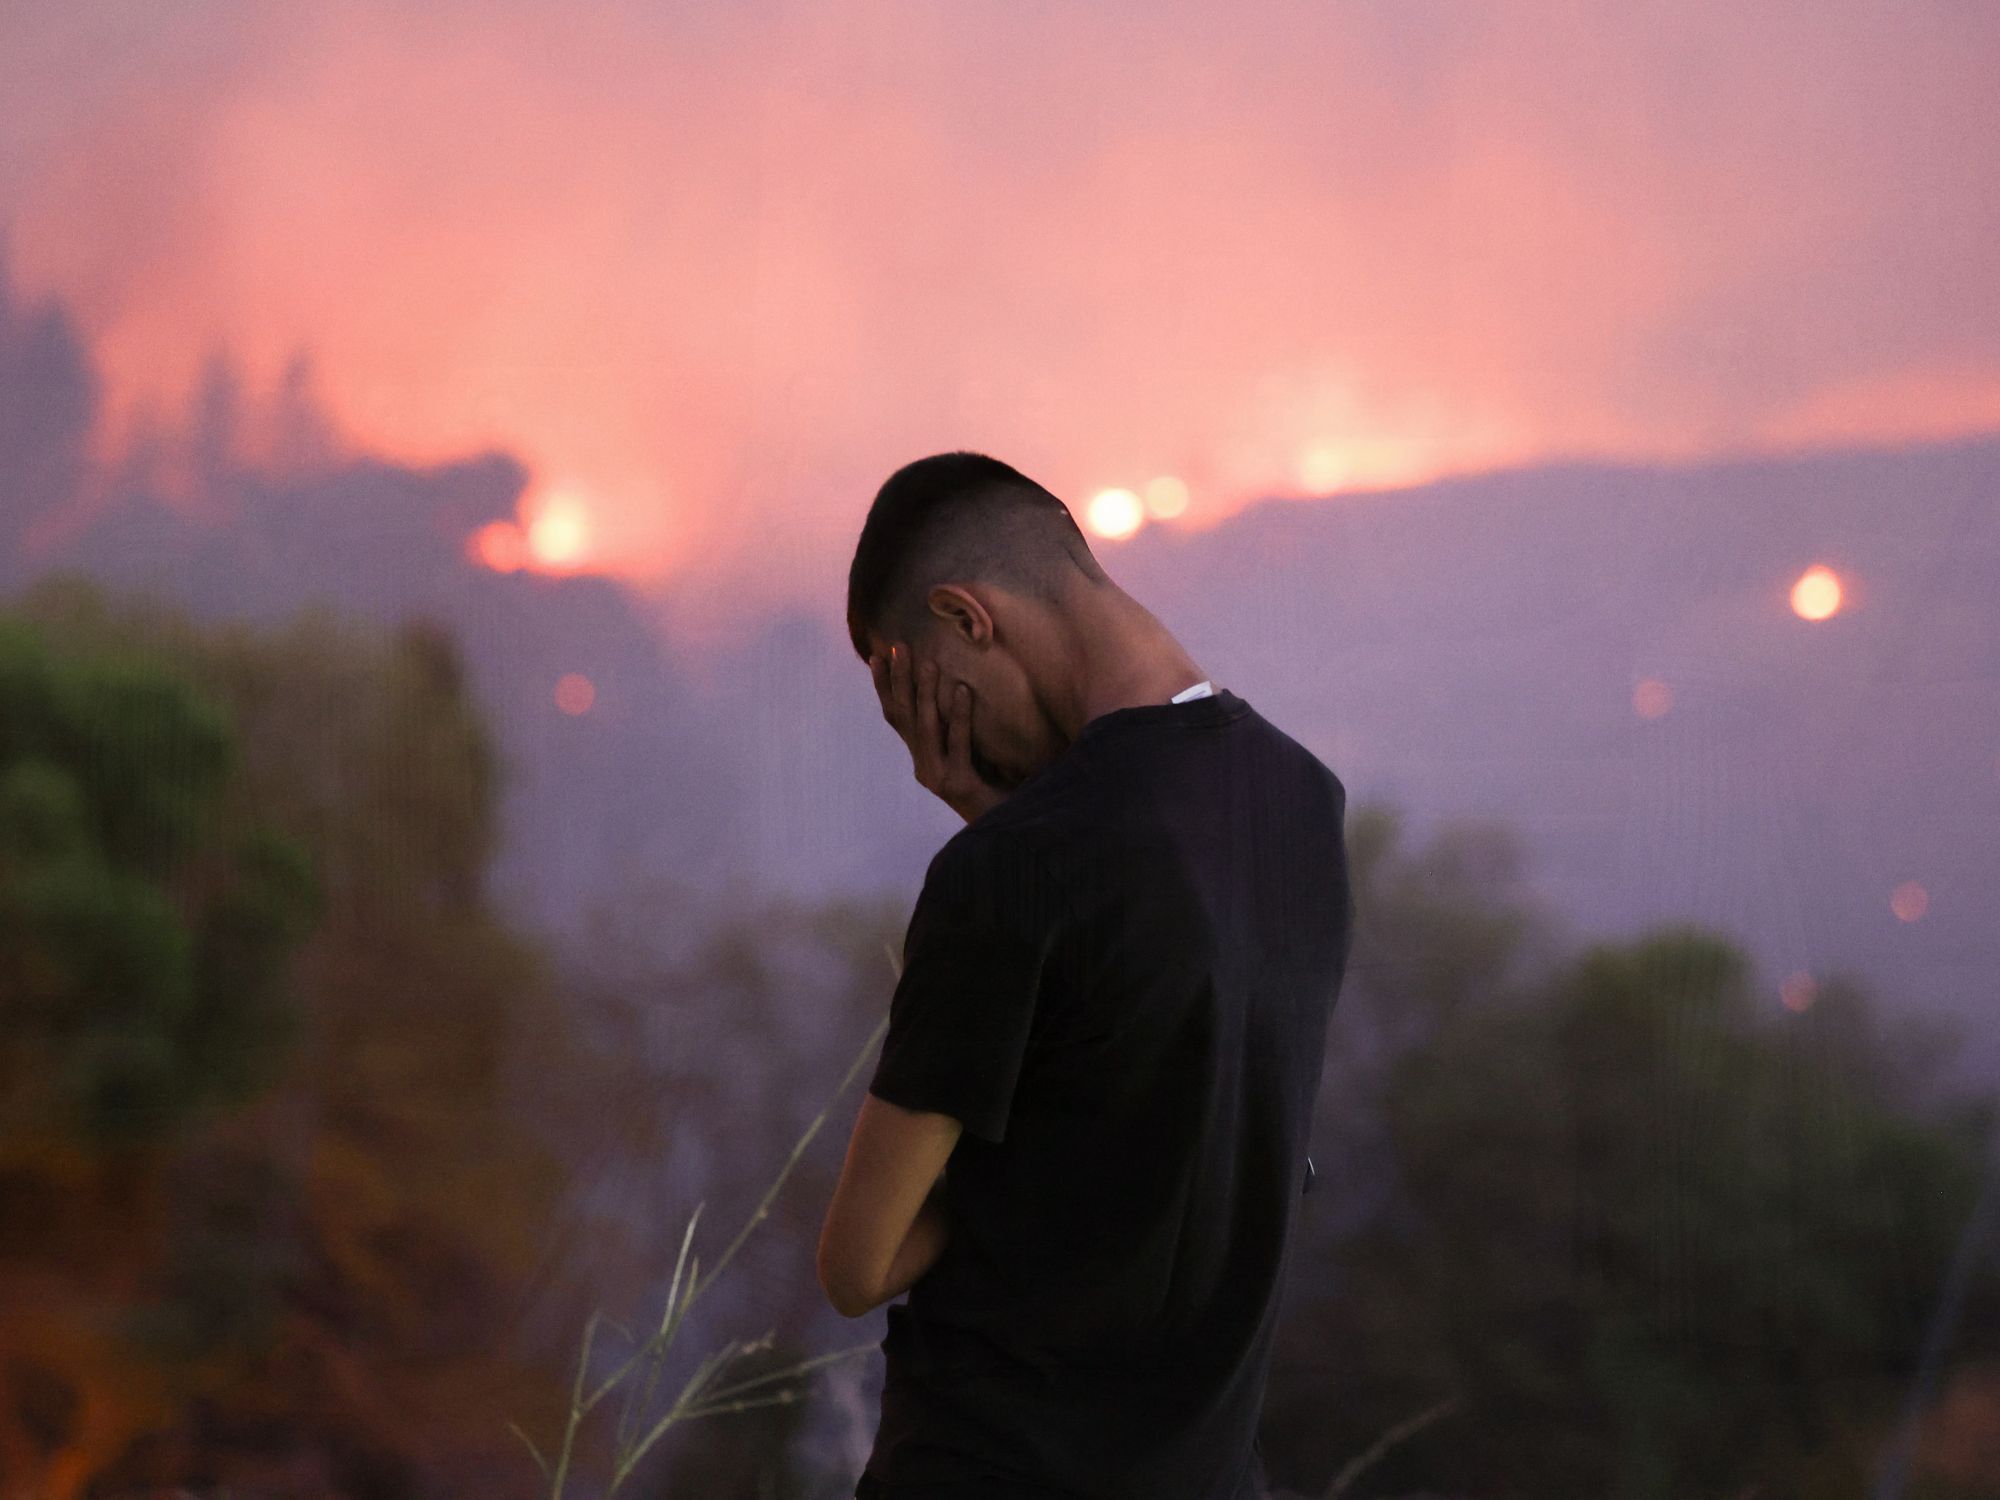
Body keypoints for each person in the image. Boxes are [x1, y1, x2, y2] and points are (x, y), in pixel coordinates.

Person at [819, 451, 1352, 1500]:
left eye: (920, 690)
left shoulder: (1014, 872)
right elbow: (1170, 1120)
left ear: (966, 618)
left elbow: (857, 1264)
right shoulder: (1303, 803)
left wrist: (995, 844)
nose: (939, 736)